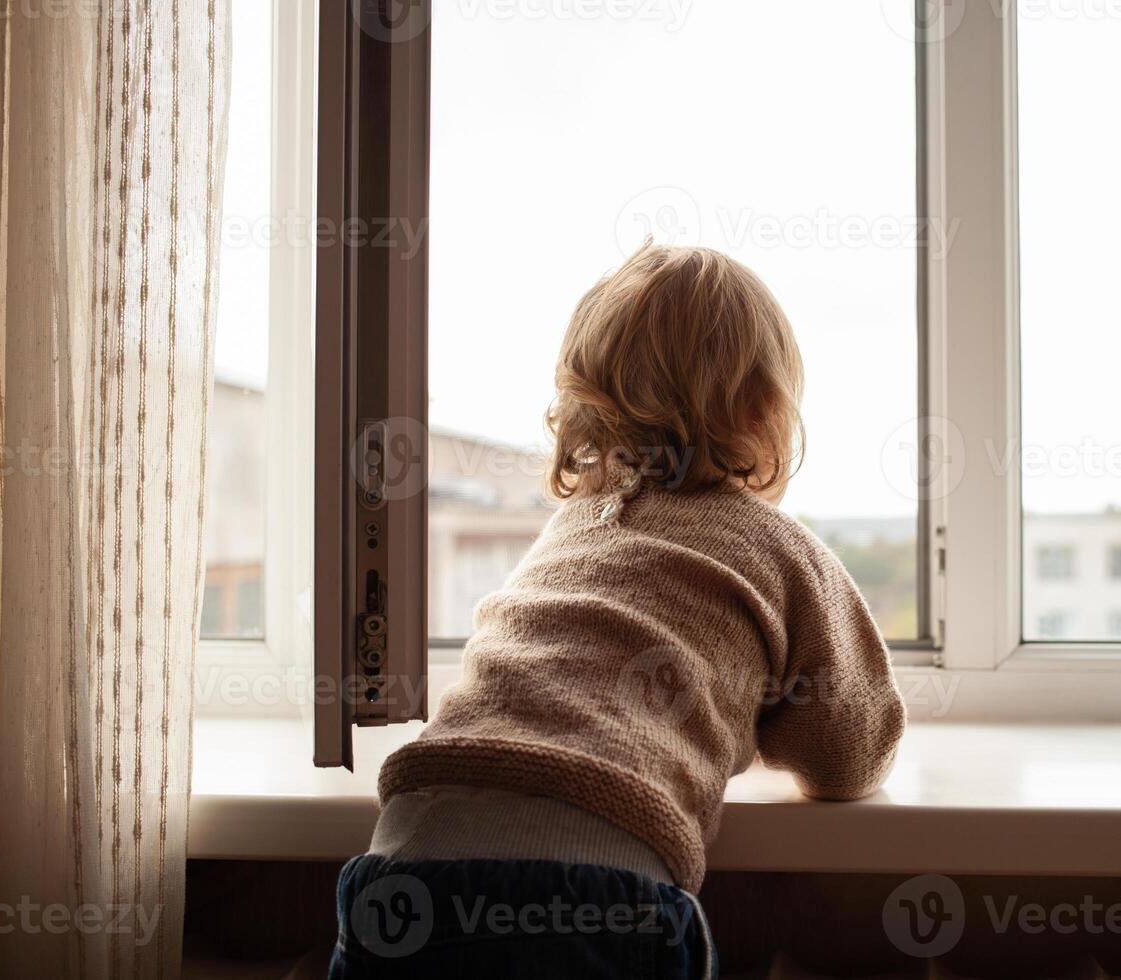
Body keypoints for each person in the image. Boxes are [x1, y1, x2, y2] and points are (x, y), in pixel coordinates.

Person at [329, 242, 906, 979]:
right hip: (590, 893)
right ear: (768, 411)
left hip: (402, 865)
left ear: (579, 406)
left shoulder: (571, 533)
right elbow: (846, 752)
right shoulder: (777, 546)